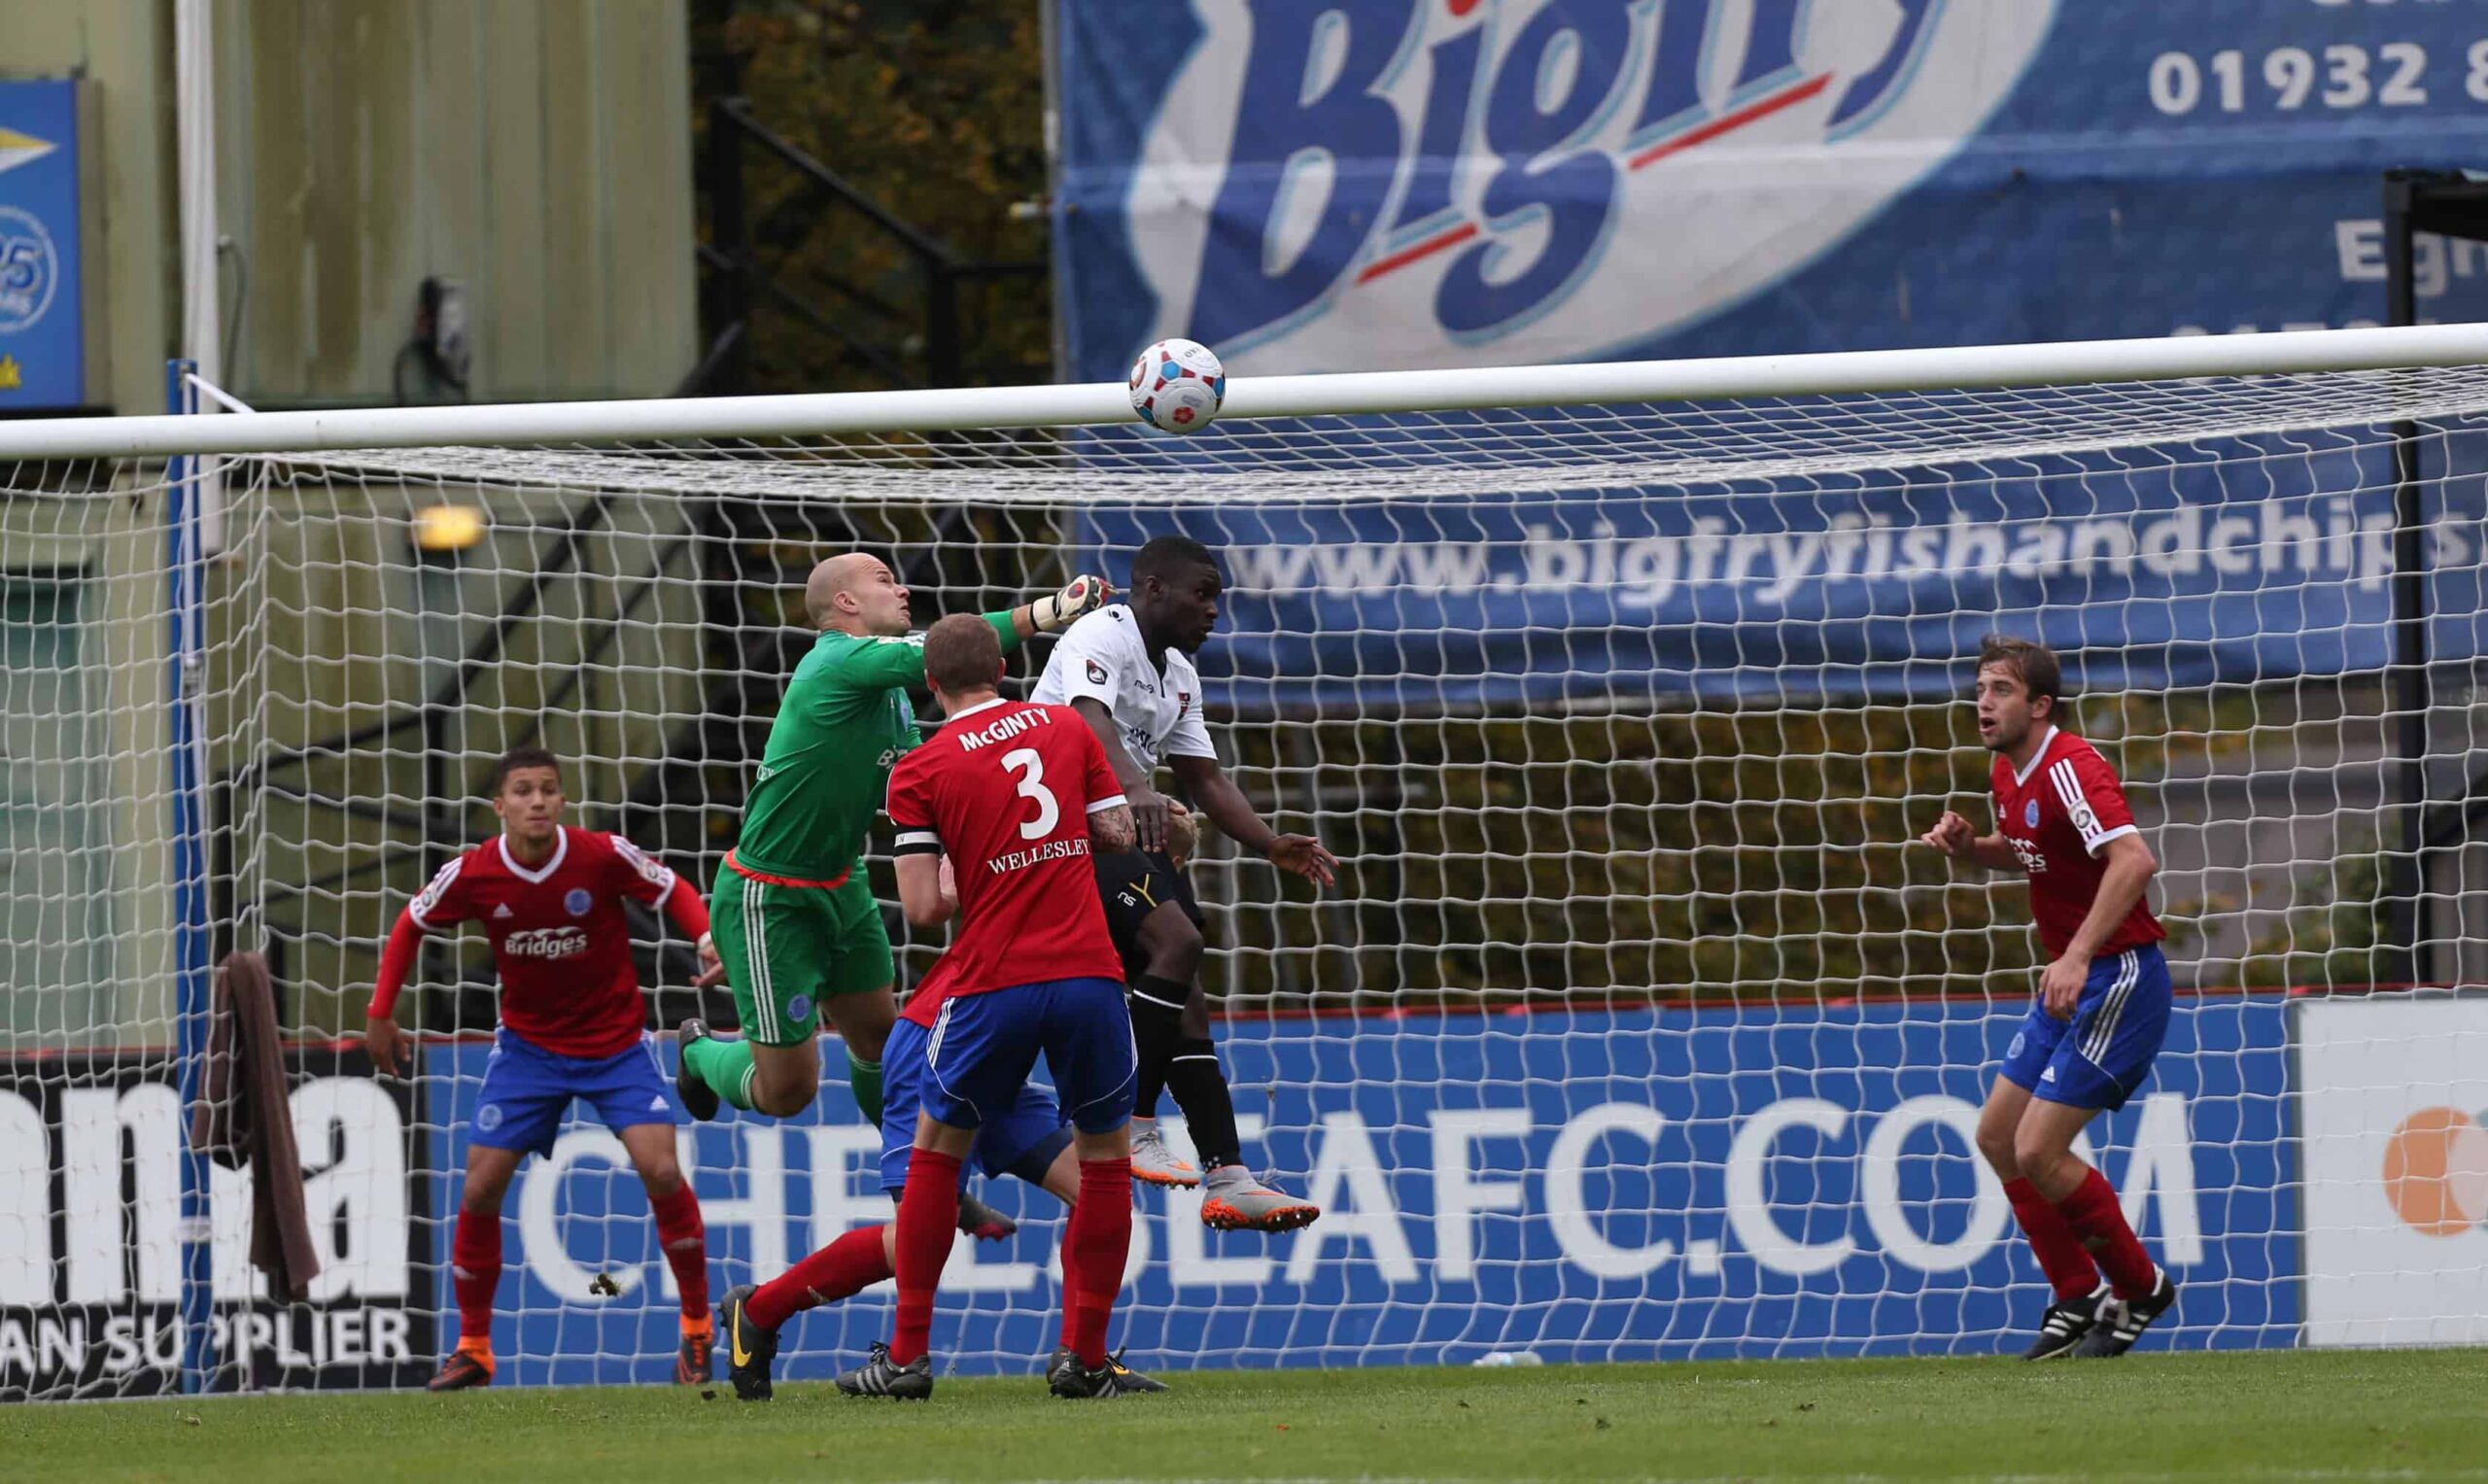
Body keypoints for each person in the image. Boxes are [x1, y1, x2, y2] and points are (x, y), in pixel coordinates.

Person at [824, 613, 1146, 1400]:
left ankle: (906, 1358)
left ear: (927, 684)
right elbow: (1115, 829)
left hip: (994, 981)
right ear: (1003, 665)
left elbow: (926, 910)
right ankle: (1086, 1358)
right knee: (1106, 1165)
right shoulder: (1066, 728)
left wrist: (981, 864)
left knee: (937, 1150)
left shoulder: (920, 769)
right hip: (1087, 976)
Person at [674, 554, 1107, 1132]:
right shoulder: (832, 661)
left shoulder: (893, 696)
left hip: (842, 881)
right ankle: (698, 1055)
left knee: (883, 1043)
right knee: (788, 1091)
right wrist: (1051, 611)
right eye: (884, 580)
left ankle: (913, 1179)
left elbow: (923, 783)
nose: (902, 588)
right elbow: (944, 651)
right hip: (769, 893)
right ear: (846, 603)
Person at [363, 745, 724, 1390]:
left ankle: (697, 1329)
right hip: (529, 1050)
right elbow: (411, 922)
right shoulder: (475, 872)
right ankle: (474, 1346)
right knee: (478, 1187)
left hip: (614, 1044)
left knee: (663, 1169)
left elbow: (671, 887)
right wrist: (380, 1011)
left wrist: (702, 935)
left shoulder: (601, 854)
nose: (537, 801)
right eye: (523, 791)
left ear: (561, 800)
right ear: (499, 805)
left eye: (548, 790)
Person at [1030, 535, 1337, 1231]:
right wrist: (1135, 787)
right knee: (1176, 939)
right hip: (1063, 835)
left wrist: (1267, 843)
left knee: (1188, 986)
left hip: (1121, 832)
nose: (1213, 611)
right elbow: (1087, 719)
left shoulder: (1179, 676)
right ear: (1152, 587)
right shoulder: (1097, 634)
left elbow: (1204, 777)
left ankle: (1226, 1173)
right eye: (1202, 594)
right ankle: (1127, 1115)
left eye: (1218, 598)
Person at [710, 947, 1166, 1401]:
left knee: (1094, 1190)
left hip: (999, 1055)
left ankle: (1079, 1359)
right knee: (918, 1235)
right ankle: (760, 1310)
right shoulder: (1092, 888)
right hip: (940, 1041)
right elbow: (930, 902)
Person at [1918, 635, 2178, 1360]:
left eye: (1999, 690)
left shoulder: (2072, 766)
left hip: (2119, 976)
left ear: (2040, 704)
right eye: (1978, 690)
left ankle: (2140, 1287)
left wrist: (2077, 951)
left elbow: (2134, 859)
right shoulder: (2010, 770)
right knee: (1998, 1136)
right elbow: (2032, 847)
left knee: (2038, 1146)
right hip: (2071, 977)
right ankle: (2075, 1293)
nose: (1982, 704)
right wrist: (1976, 848)